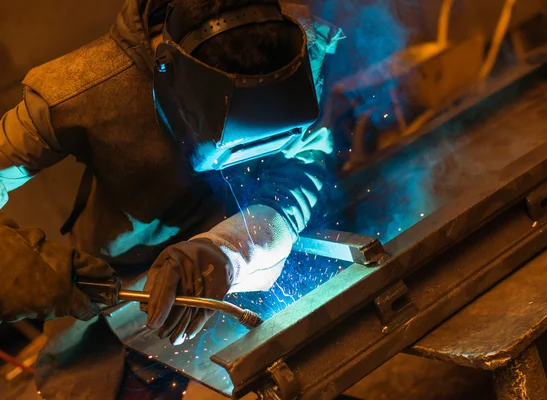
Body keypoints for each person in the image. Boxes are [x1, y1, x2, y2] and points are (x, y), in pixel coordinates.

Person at [0, 0, 342, 398]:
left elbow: (300, 171)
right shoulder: (88, 87)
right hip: (119, 293)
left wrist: (228, 252)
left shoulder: (296, 49)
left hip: (254, 275)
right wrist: (15, 266)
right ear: (168, 75)